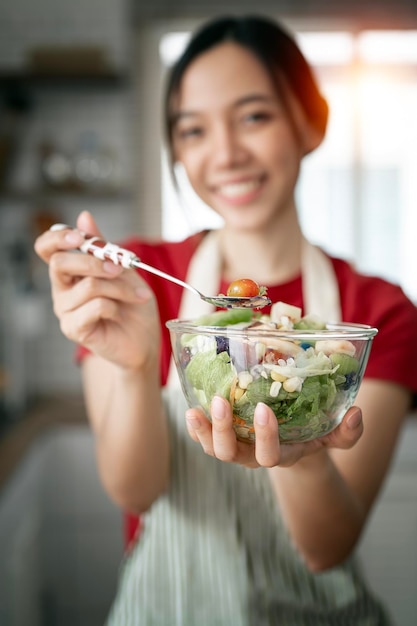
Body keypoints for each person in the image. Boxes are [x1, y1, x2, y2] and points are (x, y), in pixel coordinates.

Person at [34, 14, 417, 626]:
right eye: (193, 131)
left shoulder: (378, 312)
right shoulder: (141, 282)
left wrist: (305, 452)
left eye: (254, 117)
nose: (226, 154)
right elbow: (135, 493)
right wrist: (134, 366)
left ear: (310, 122)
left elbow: (328, 547)